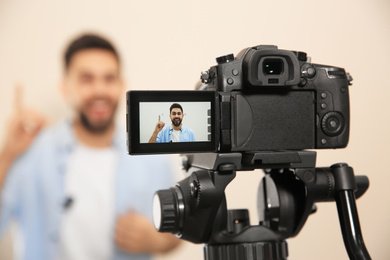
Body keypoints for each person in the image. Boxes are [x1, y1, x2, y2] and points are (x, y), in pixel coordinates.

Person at [0, 34, 180, 260]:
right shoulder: (32, 153)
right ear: (65, 87)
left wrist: (157, 241)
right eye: (87, 79)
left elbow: (178, 234)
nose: (99, 90)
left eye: (109, 78)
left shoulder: (153, 157)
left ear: (122, 85)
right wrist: (6, 155)